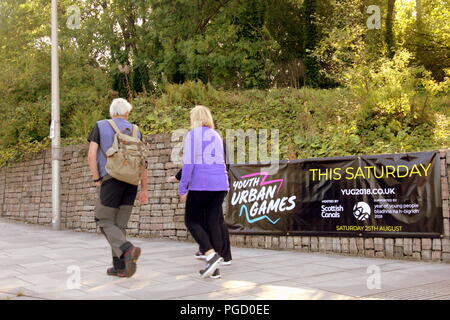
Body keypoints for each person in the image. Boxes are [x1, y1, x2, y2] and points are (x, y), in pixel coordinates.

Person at [87, 98, 148, 278]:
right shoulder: (136, 131)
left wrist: (97, 178)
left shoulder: (101, 126)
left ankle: (127, 250)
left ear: (111, 112)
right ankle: (120, 267)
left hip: (111, 179)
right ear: (127, 113)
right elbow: (144, 163)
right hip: (131, 183)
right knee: (120, 225)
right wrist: (144, 189)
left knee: (103, 219)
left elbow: (91, 155)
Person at [179, 105, 229, 279]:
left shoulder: (193, 135)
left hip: (202, 185)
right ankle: (214, 267)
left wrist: (183, 187)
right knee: (212, 222)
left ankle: (210, 254)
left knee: (191, 221)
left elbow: (189, 164)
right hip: (220, 185)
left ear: (195, 118)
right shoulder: (216, 135)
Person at [168, 168, 232, 268]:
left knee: (195, 221)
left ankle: (212, 253)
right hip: (221, 183)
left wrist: (179, 181)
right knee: (216, 220)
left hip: (204, 183)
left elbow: (191, 163)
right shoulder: (221, 152)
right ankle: (221, 255)